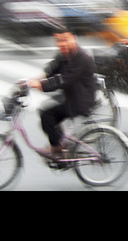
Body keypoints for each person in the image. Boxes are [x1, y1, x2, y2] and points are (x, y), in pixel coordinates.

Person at [28, 26, 97, 158]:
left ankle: (57, 149)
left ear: (74, 39)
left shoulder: (81, 58)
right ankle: (61, 144)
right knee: (44, 111)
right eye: (59, 40)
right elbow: (51, 69)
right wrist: (32, 80)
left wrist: (41, 85)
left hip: (81, 100)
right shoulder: (65, 55)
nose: (62, 44)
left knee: (47, 116)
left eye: (65, 40)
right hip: (72, 95)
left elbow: (65, 80)